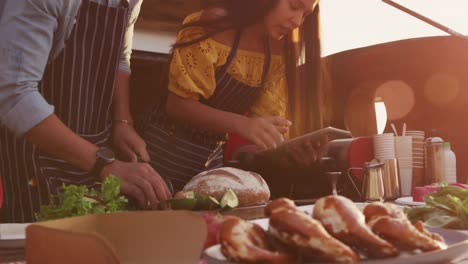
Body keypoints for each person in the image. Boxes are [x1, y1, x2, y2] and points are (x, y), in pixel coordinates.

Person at [0, 0, 171, 223]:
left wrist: (123, 121)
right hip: (32, 150)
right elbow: (14, 95)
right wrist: (105, 164)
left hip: (96, 143)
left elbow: (120, 56)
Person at [141, 0, 331, 192]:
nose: (298, 21)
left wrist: (288, 150)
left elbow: (261, 129)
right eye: (294, 6)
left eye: (305, 14)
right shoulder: (213, 23)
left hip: (209, 170)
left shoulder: (277, 50)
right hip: (159, 158)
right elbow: (177, 106)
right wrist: (242, 124)